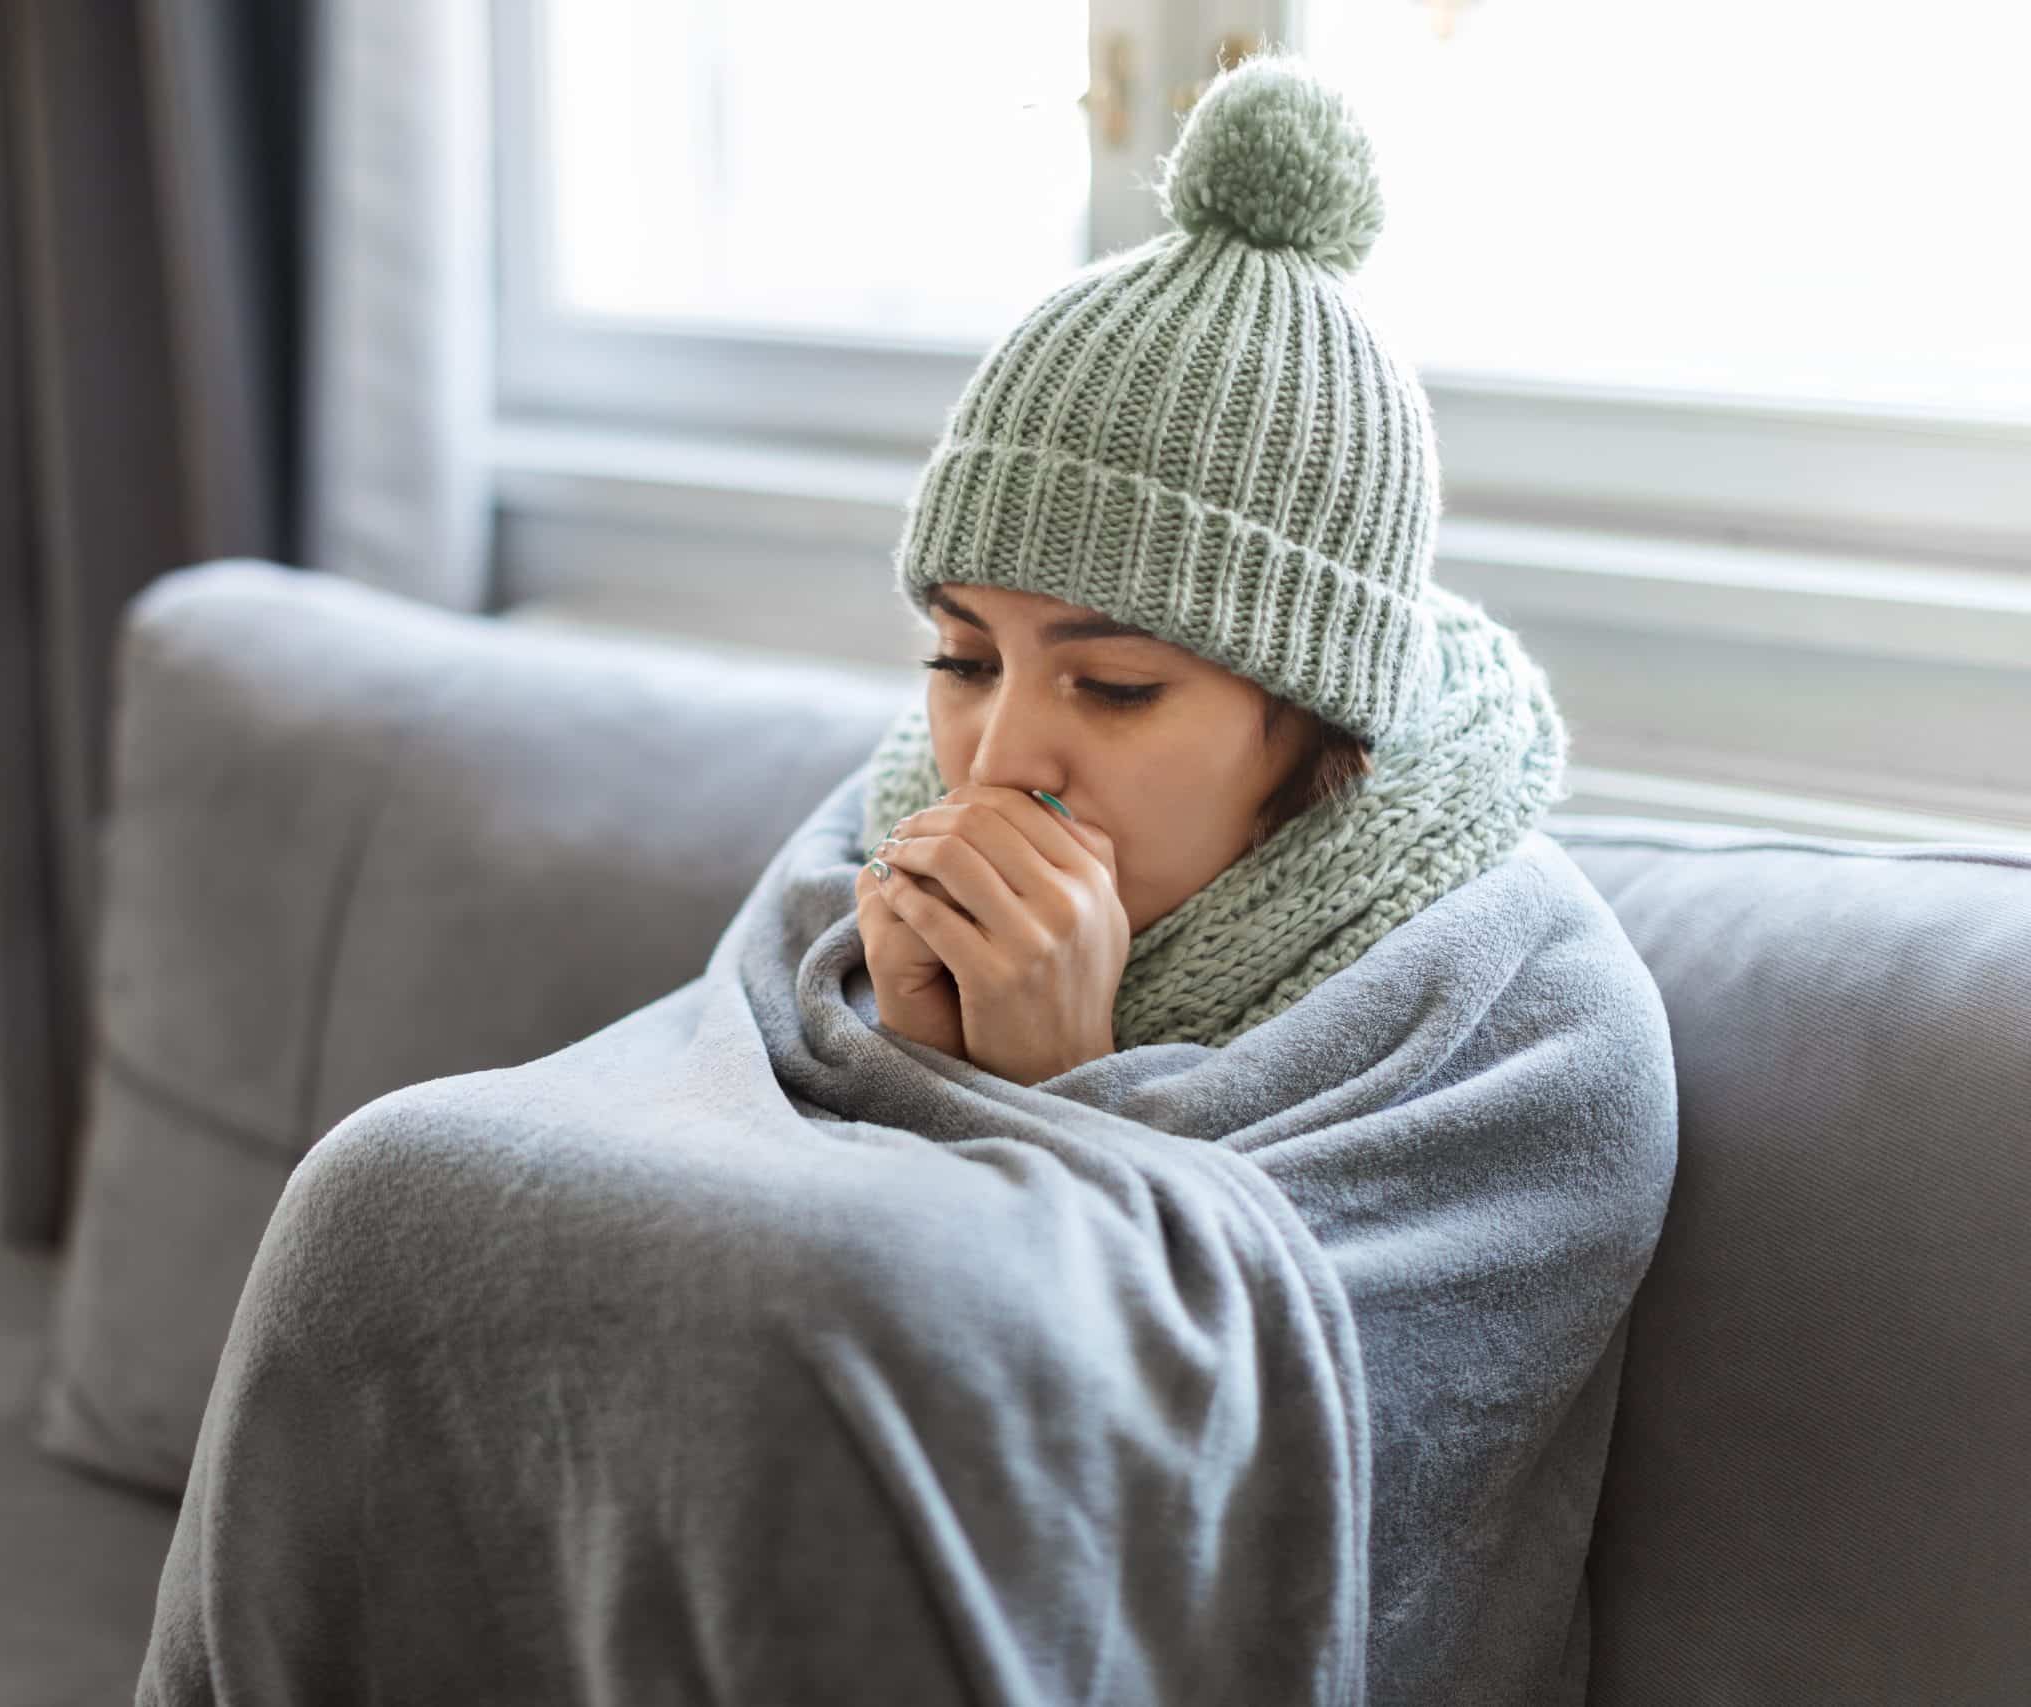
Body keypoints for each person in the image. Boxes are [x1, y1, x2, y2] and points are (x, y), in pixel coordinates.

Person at [139, 49, 1676, 1707]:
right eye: (961, 655)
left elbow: (1275, 1464)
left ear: (1314, 718)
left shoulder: (1526, 1014)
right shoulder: (866, 833)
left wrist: (1057, 1096)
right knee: (382, 1182)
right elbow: (661, 1156)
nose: (998, 755)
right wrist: (943, 1076)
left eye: (1116, 683)